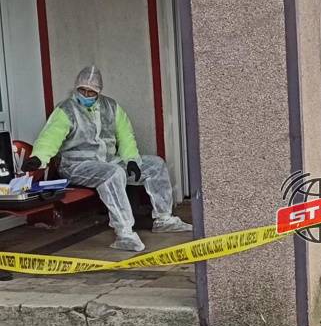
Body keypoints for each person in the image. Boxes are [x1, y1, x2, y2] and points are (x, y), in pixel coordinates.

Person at [19, 66, 192, 252]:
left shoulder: (111, 107)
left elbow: (125, 135)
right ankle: (125, 233)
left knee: (155, 165)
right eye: (82, 90)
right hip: (76, 166)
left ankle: (164, 219)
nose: (86, 94)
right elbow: (50, 137)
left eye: (91, 91)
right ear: (76, 87)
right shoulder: (66, 110)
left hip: (108, 160)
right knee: (113, 174)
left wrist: (131, 160)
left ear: (99, 91)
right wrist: (39, 158)